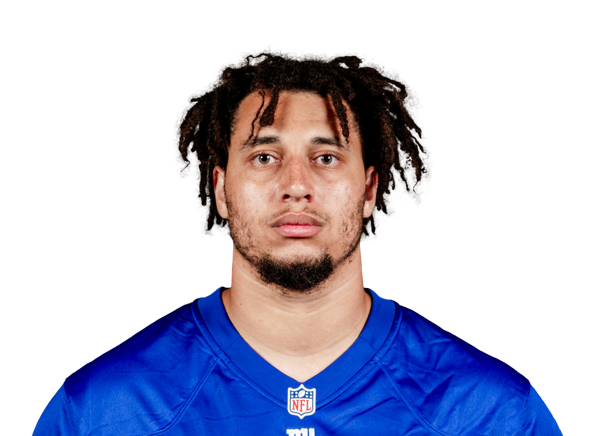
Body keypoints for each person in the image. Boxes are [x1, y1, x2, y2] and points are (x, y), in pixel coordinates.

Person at [33, 51, 562, 435]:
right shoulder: (103, 411)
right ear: (220, 190)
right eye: (264, 157)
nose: (296, 185)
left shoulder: (491, 413)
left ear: (369, 190)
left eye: (326, 157)